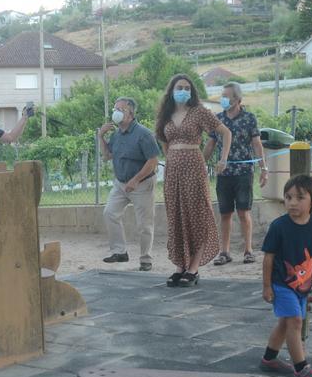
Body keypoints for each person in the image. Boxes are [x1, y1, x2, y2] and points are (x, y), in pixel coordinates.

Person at [155, 74, 232, 287]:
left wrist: (223, 158)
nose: (184, 91)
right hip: (172, 172)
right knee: (176, 215)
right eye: (180, 87)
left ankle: (194, 267)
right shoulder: (165, 115)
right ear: (171, 90)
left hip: (194, 167)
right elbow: (163, 141)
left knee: (196, 214)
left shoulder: (199, 112)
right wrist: (171, 158)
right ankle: (180, 266)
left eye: (187, 88)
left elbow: (225, 133)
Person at [258, 175, 312, 377]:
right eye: (288, 197)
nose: (293, 202)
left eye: (299, 198)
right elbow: (268, 258)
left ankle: (269, 358)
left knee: (285, 322)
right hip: (282, 284)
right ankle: (301, 368)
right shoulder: (279, 226)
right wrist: (267, 286)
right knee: (296, 322)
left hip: (302, 286)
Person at [205, 82, 267, 266]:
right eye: (222, 95)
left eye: (227, 96)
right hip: (223, 174)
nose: (223, 99)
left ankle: (248, 250)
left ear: (237, 99)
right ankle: (224, 252)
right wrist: (199, 163)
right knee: (225, 213)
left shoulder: (249, 118)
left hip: (243, 173)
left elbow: (257, 144)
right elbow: (210, 144)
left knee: (243, 211)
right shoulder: (217, 119)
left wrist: (264, 168)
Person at [99, 97, 160, 272]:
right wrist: (101, 136)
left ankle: (145, 259)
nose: (116, 113)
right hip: (120, 184)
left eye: (121, 109)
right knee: (110, 213)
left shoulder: (143, 134)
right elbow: (107, 156)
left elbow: (153, 161)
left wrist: (136, 180)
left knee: (144, 224)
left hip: (142, 184)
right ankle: (120, 252)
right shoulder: (116, 134)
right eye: (115, 109)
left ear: (131, 114)